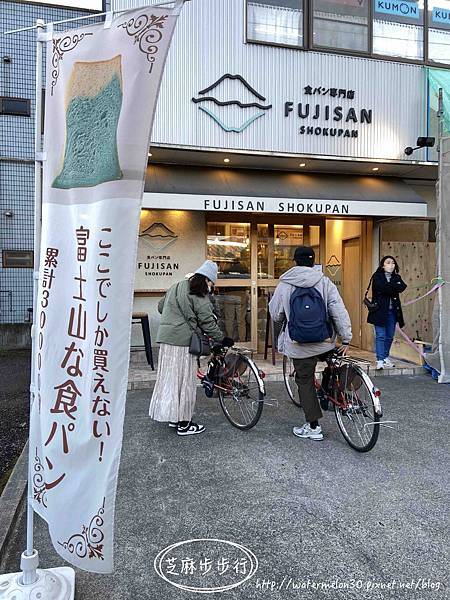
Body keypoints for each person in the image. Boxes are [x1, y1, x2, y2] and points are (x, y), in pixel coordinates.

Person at [269, 246, 352, 442]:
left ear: (294, 261)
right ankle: (330, 389)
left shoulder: (285, 283)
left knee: (304, 380)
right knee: (330, 362)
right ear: (313, 261)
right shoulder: (324, 281)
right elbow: (338, 310)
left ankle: (313, 426)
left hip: (299, 344)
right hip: (324, 341)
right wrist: (346, 337)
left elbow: (276, 314)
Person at [149, 260, 233, 436]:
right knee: (185, 382)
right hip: (182, 342)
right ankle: (185, 424)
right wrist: (222, 339)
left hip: (166, 340)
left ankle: (174, 418)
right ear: (207, 280)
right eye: (211, 283)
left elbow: (160, 307)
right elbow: (207, 322)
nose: (211, 287)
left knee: (171, 381)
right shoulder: (198, 295)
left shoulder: (176, 286)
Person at [367, 255, 407, 370]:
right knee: (380, 336)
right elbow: (383, 288)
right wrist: (393, 286)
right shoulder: (377, 276)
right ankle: (379, 360)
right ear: (383, 265)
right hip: (379, 311)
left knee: (389, 336)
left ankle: (385, 357)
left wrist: (392, 287)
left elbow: (402, 287)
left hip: (393, 312)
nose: (391, 265)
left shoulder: (396, 276)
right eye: (388, 262)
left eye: (393, 263)